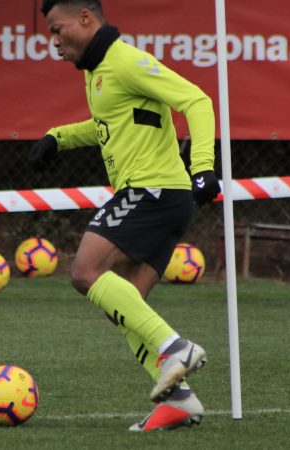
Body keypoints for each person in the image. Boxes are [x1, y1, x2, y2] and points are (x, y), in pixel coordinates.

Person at [29, 0, 222, 432]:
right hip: (165, 200)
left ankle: (175, 348)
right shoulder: (98, 74)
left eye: (58, 30)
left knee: (84, 272)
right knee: (123, 305)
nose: (54, 41)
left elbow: (197, 100)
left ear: (85, 19)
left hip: (151, 190)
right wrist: (58, 139)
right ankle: (178, 401)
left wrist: (204, 167)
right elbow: (106, 123)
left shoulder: (126, 61)